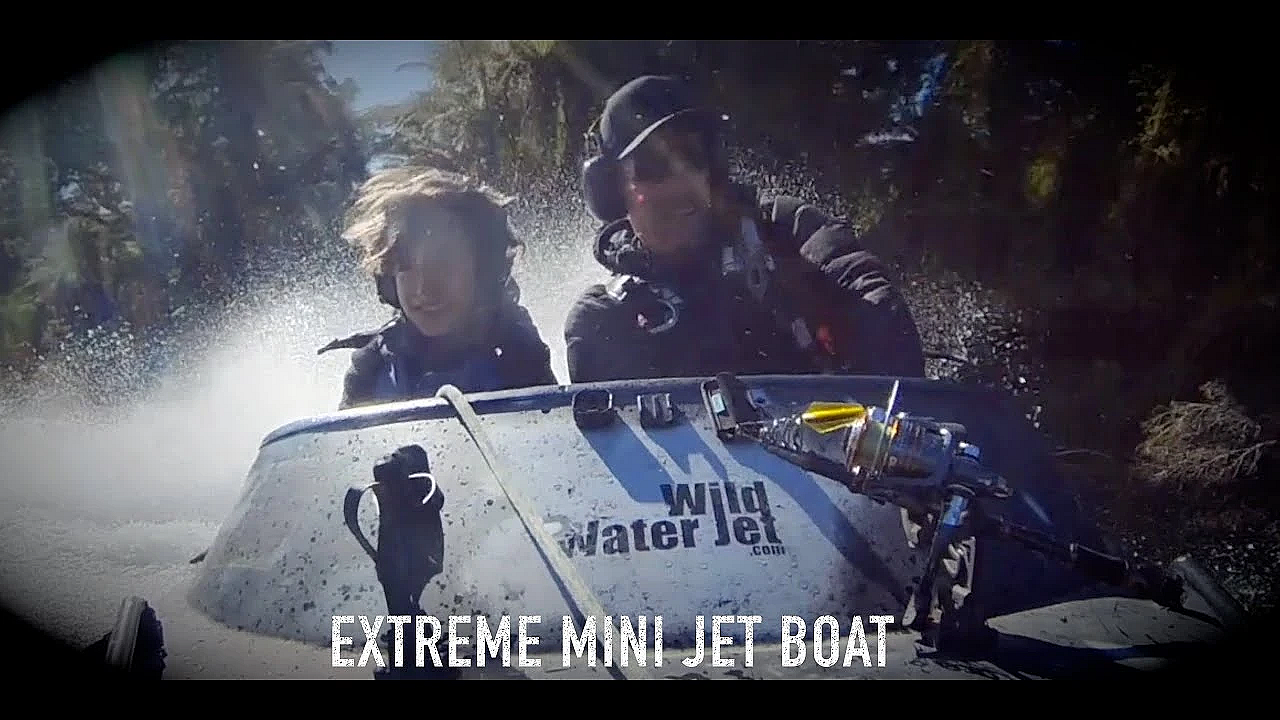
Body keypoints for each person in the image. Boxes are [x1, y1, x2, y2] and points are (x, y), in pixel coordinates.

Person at [564, 75, 926, 383]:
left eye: (693, 157)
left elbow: (864, 285)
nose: (680, 180)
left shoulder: (785, 230)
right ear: (612, 191)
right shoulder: (602, 318)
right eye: (653, 166)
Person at [320, 165, 558, 409]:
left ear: (483, 268)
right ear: (389, 279)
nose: (424, 288)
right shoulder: (371, 369)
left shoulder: (519, 356)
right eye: (406, 264)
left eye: (443, 262)